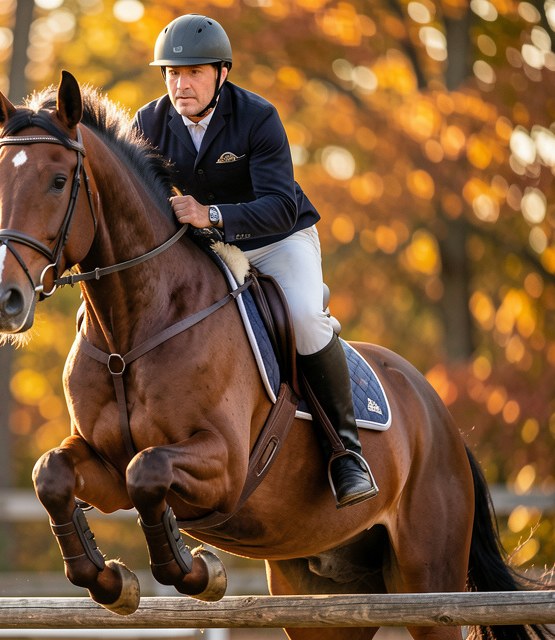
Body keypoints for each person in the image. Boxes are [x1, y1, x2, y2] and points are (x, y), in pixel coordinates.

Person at [132, 14, 377, 508]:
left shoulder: (258, 117)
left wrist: (211, 214)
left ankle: (346, 453)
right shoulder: (148, 124)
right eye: (173, 73)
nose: (181, 85)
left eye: (194, 73)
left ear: (222, 73)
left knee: (305, 317)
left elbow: (281, 205)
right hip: (206, 245)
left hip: (278, 239)